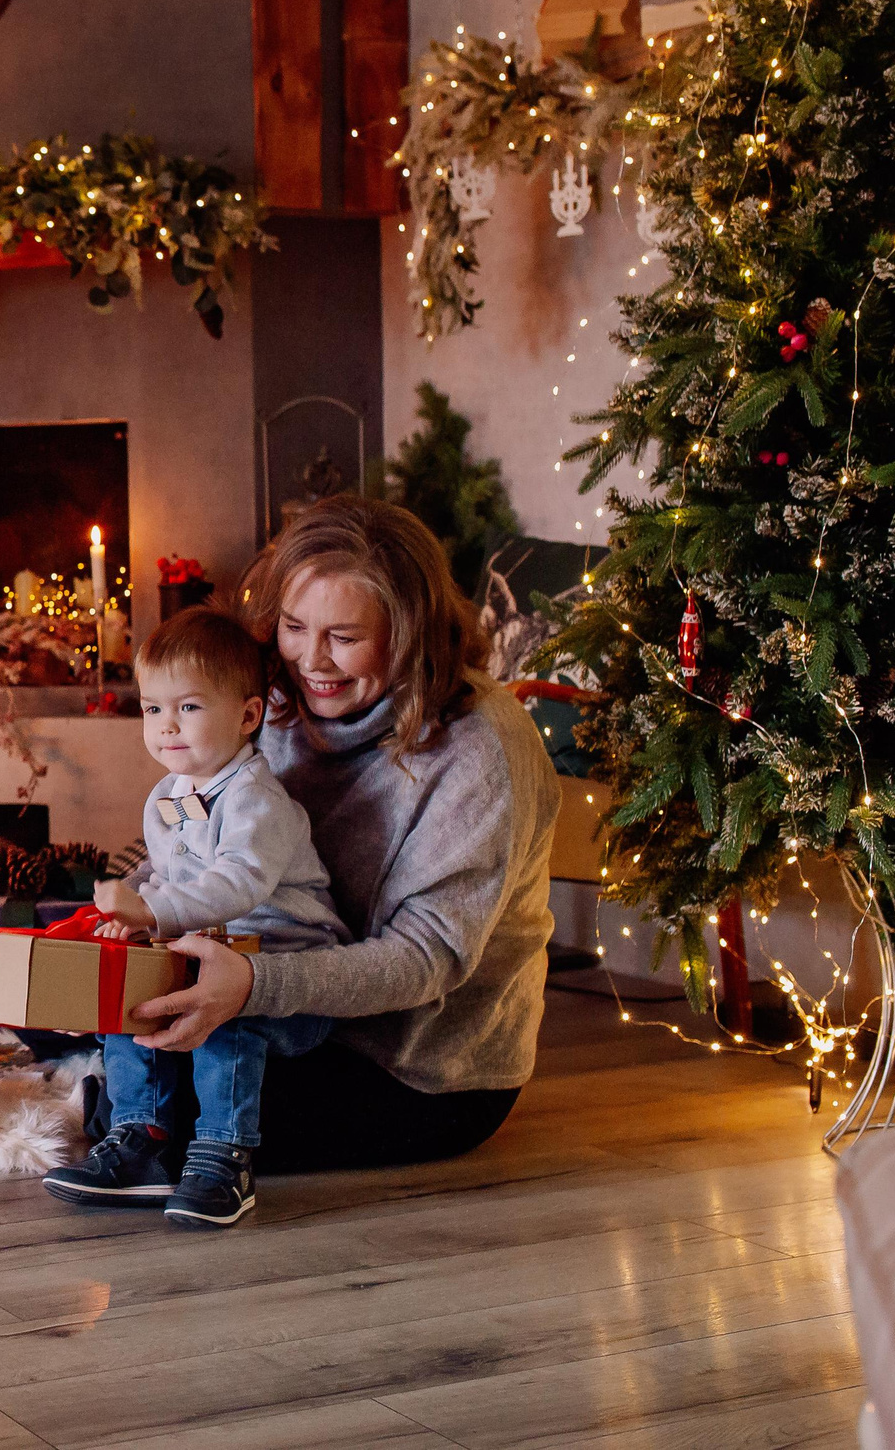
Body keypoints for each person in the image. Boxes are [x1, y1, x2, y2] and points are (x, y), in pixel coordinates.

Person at [68, 495, 558, 1180]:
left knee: (173, 1125)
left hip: (417, 1065)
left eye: (345, 637)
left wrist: (254, 986)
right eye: (295, 627)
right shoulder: (269, 699)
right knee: (120, 1049)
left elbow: (428, 958)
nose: (311, 660)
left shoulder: (479, 749)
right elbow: (200, 847)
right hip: (275, 1003)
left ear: (410, 634)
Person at [41, 605, 348, 1227]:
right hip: (207, 952)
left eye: (188, 706)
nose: (167, 726)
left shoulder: (256, 798)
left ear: (248, 716)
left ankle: (223, 1158)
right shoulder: (170, 794)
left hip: (284, 973)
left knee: (227, 1023)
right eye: (153, 708)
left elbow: (237, 880)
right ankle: (140, 1141)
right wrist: (131, 911)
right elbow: (168, 872)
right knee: (128, 1008)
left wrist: (152, 909)